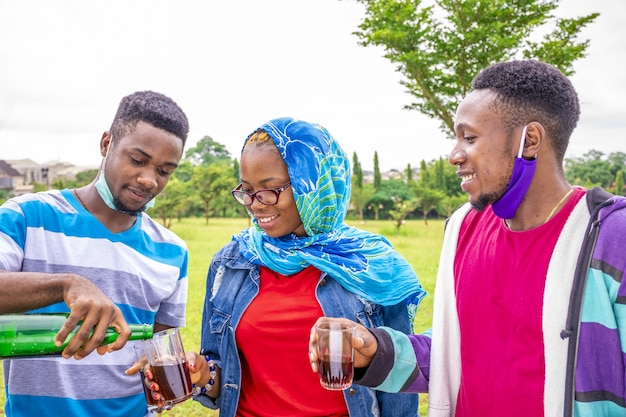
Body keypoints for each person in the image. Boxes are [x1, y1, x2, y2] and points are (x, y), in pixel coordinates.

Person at [308, 60, 626, 417]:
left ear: (530, 140)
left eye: (469, 137)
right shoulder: (463, 229)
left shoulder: (611, 237)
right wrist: (378, 350)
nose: (454, 155)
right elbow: (454, 356)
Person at [144, 117, 425, 417]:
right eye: (247, 190)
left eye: (270, 189)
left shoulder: (372, 265)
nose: (255, 203)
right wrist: (202, 374)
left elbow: (397, 388)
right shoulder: (232, 262)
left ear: (312, 184)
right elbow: (220, 375)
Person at [0, 90, 190, 417]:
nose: (149, 180)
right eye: (138, 160)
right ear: (106, 144)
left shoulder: (173, 251)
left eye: (164, 170)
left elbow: (159, 349)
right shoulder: (27, 216)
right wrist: (65, 285)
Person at [0, 272, 131, 357]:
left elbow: (151, 335)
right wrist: (66, 284)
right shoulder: (27, 228)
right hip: (35, 399)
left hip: (134, 399)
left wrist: (147, 358)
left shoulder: (152, 244)